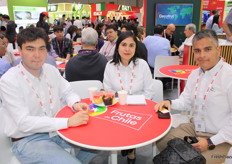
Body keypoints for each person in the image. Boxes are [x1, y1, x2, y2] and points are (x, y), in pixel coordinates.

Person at [0, 27, 97, 164]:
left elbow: (68, 92)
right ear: (20, 51)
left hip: (56, 131)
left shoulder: (51, 70)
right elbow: (23, 123)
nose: (37, 55)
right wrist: (68, 122)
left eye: (42, 48)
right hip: (28, 139)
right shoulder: (9, 80)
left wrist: (75, 103)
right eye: (30, 49)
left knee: (97, 142)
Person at [154, 30, 232, 164]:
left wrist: (210, 142)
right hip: (194, 129)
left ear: (218, 49)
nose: (202, 55)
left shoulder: (229, 76)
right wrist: (170, 102)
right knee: (162, 140)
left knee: (193, 161)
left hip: (221, 138)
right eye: (197, 51)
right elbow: (186, 101)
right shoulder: (195, 74)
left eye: (207, 49)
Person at [103, 31, 154, 164]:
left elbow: (149, 92)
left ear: (135, 48)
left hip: (139, 108)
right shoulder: (110, 66)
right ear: (118, 47)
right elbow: (108, 90)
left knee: (133, 123)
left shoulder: (142, 65)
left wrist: (131, 102)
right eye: (124, 45)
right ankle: (127, 146)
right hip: (116, 108)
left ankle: (130, 148)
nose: (127, 49)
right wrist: (120, 103)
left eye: (131, 45)